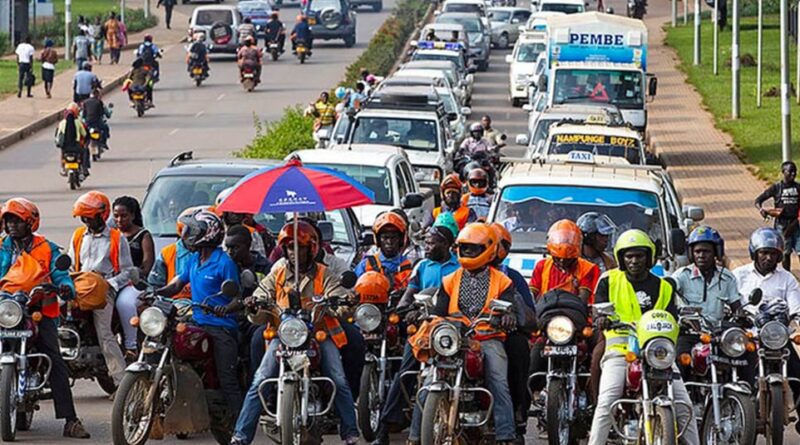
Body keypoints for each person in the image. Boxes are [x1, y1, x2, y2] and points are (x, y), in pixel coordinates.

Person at [233, 221, 360, 445]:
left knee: (338, 379)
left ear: (311, 248)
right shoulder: (278, 274)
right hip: (284, 336)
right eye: (290, 247)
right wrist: (254, 304)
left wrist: (345, 301)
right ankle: (241, 436)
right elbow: (262, 296)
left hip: (318, 335)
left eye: (299, 247)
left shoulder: (325, 274)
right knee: (260, 379)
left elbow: (339, 302)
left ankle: (350, 432)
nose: (294, 252)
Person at [407, 223, 524, 445]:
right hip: (453, 339)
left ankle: (505, 434)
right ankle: (414, 436)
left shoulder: (503, 281)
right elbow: (439, 311)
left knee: (498, 381)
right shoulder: (450, 280)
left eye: (473, 248)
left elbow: (508, 305)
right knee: (428, 381)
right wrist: (424, 315)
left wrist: (506, 316)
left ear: (488, 250)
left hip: (487, 338)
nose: (468, 252)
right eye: (464, 247)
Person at [588, 229, 699, 445]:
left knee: (685, 406)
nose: (634, 261)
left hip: (657, 352)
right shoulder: (609, 280)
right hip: (621, 350)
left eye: (639, 255)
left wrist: (685, 323)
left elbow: (673, 317)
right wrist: (601, 318)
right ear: (621, 258)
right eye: (629, 256)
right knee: (607, 401)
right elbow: (598, 308)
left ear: (648, 257)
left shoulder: (664, 286)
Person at [0, 198, 91, 438]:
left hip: (38, 310)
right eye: (8, 221)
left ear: (31, 222)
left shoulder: (47, 248)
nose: (11, 225)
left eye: (17, 221)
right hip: (5, 309)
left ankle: (71, 421)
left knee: (54, 358)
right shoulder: (1, 247)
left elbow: (62, 275)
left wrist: (65, 288)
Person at [156, 209, 243, 419]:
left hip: (220, 326)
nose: (187, 235)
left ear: (207, 233)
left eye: (192, 231)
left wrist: (225, 308)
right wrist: (155, 293)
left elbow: (237, 298)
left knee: (227, 378)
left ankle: (240, 423)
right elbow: (177, 284)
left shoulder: (224, 262)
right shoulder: (194, 259)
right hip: (196, 321)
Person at [732, 227, 800, 416]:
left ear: (779, 256)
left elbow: (796, 308)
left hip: (777, 337)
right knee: (739, 373)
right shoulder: (739, 275)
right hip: (749, 337)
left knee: (797, 374)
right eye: (764, 253)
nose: (768, 258)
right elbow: (730, 303)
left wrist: (795, 323)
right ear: (754, 253)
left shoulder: (787, 279)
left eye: (773, 254)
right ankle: (739, 415)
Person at [68, 191, 132, 392]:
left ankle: (121, 385)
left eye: (90, 217)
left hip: (103, 290)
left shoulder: (117, 238)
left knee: (105, 334)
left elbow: (128, 271)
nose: (86, 221)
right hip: (79, 286)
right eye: (83, 217)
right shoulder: (78, 236)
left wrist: (108, 285)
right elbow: (70, 265)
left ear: (102, 215)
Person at [673, 226, 752, 382]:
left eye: (706, 251)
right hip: (690, 334)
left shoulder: (727, 278)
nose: (701, 255)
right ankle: (682, 394)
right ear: (691, 253)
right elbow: (668, 289)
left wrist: (742, 316)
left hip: (719, 336)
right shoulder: (682, 276)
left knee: (747, 353)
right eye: (697, 251)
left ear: (716, 252)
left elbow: (736, 305)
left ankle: (748, 391)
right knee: (680, 361)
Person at [490, 223, 535, 435]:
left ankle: (518, 409)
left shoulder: (512, 277)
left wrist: (512, 314)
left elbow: (529, 314)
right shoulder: (460, 274)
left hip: (503, 333)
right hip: (471, 333)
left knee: (518, 348)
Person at [112, 196, 155, 358]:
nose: (119, 220)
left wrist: (134, 275)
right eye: (116, 216)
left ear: (133, 215)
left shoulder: (143, 235)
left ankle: (131, 345)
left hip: (135, 283)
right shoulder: (112, 235)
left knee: (124, 303)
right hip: (113, 280)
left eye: (124, 216)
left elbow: (146, 265)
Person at [530, 219, 601, 303]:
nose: (562, 262)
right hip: (546, 308)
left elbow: (583, 298)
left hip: (574, 309)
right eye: (557, 258)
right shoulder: (542, 265)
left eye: (568, 260)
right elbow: (532, 291)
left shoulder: (587, 269)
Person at [755, 160, 800, 271]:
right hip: (782, 225)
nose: (793, 174)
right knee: (785, 252)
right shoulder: (777, 188)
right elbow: (758, 200)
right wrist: (761, 210)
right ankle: (787, 274)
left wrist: (796, 222)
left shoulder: (798, 187)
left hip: (796, 223)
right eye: (790, 171)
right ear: (783, 172)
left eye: (795, 171)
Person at [355, 211, 413, 292]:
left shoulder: (410, 267)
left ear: (401, 240)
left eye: (393, 237)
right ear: (378, 240)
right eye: (385, 237)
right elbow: (354, 290)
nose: (389, 242)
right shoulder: (365, 265)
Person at [148, 206, 196, 299]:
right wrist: (153, 294)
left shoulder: (209, 254)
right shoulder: (167, 253)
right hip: (173, 303)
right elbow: (154, 285)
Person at [55, 103, 90, 178]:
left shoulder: (62, 123)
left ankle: (63, 168)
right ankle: (84, 168)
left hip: (65, 147)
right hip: (76, 146)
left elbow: (57, 135)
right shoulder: (78, 122)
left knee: (62, 153)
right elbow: (84, 134)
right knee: (84, 152)